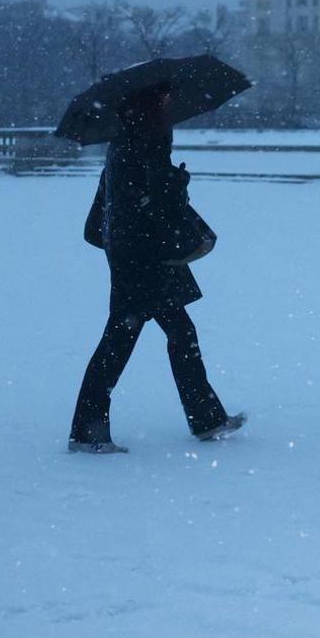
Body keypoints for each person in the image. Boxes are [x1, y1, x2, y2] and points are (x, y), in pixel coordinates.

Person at [68, 82, 243, 453]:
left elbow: (116, 197)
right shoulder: (146, 138)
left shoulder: (125, 138)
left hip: (135, 250)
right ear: (151, 105)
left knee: (176, 333)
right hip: (144, 255)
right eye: (165, 98)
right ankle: (87, 431)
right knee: (124, 339)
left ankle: (207, 418)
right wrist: (176, 182)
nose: (170, 102)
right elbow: (156, 198)